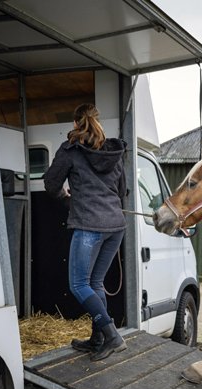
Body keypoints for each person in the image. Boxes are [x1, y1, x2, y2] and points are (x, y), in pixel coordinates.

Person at [43, 104, 128, 361]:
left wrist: (68, 199)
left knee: (79, 285)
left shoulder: (71, 150)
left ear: (75, 122)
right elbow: (122, 190)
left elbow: (51, 184)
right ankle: (97, 338)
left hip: (90, 226)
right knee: (95, 283)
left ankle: (112, 335)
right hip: (116, 226)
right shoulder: (113, 152)